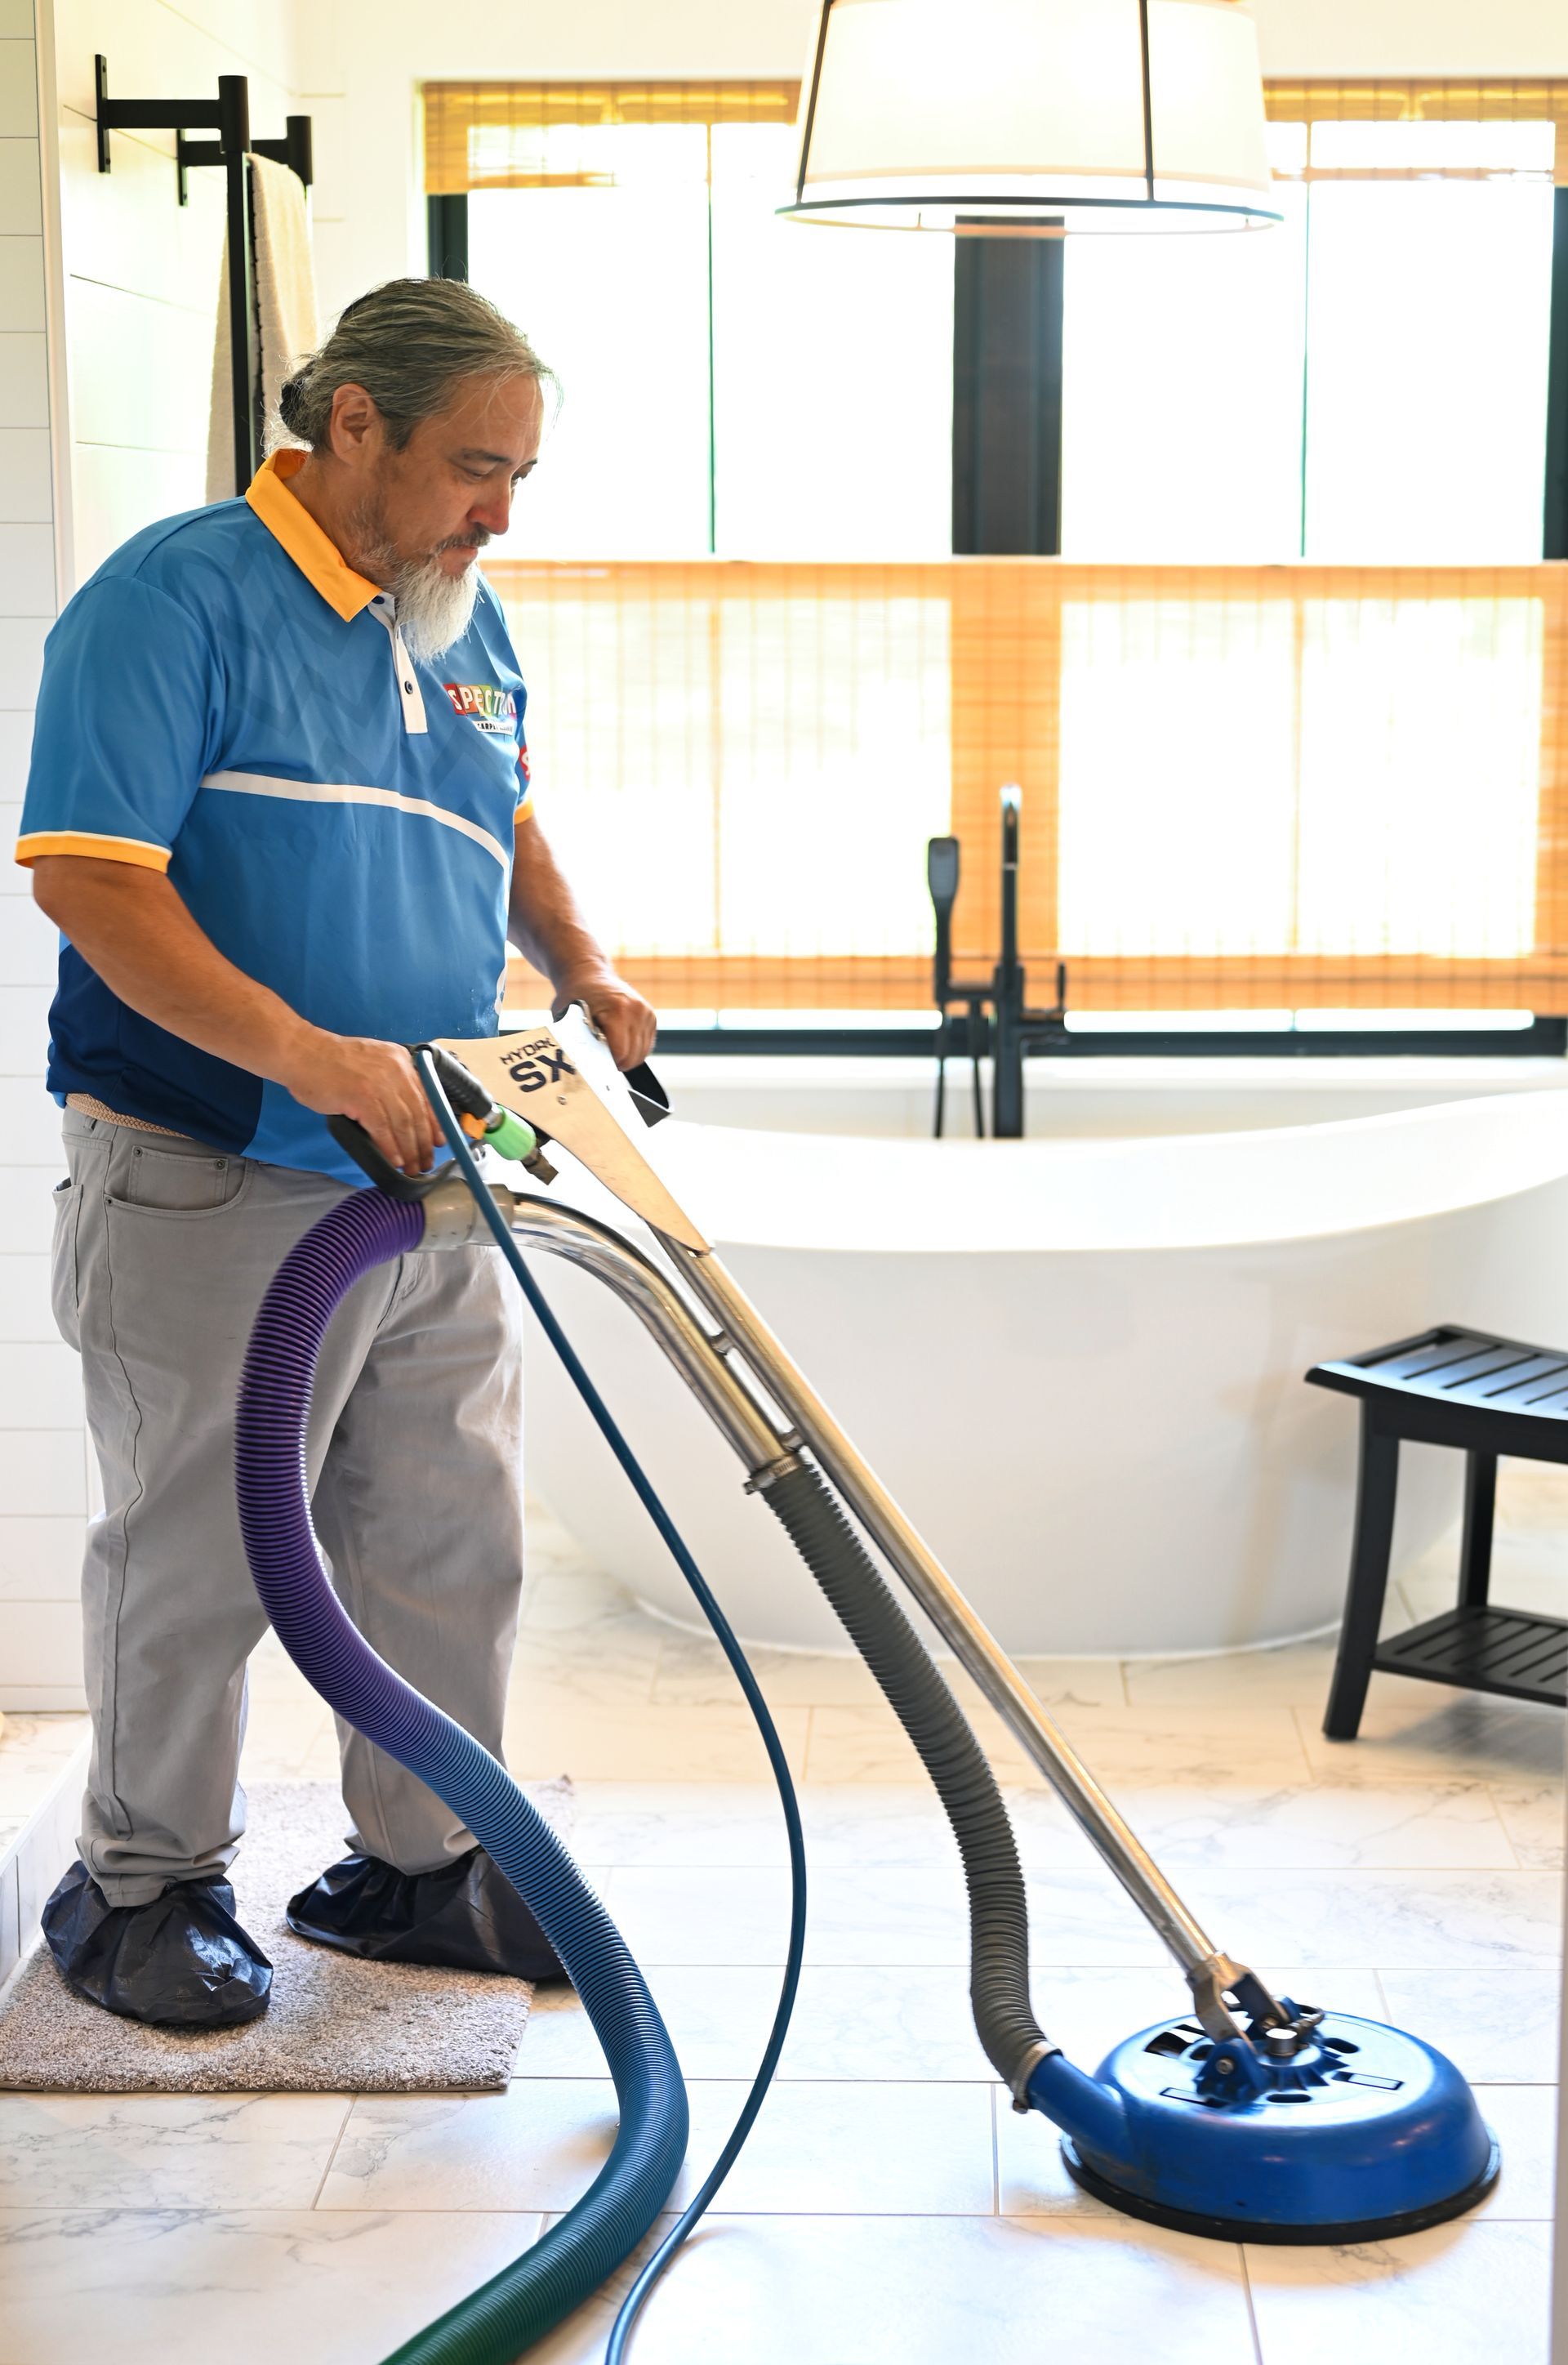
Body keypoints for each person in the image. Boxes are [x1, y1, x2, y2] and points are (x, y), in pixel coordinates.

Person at [14, 277, 655, 2028]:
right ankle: (140, 1885)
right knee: (202, 1541)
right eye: (475, 465)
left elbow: (499, 799)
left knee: (447, 1532)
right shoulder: (174, 597)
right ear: (352, 423)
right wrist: (313, 1059)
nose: (500, 510)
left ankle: (427, 1863)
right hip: (221, 1161)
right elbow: (88, 879)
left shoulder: (455, 610)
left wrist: (581, 961)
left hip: (434, 1160)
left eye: (518, 473)